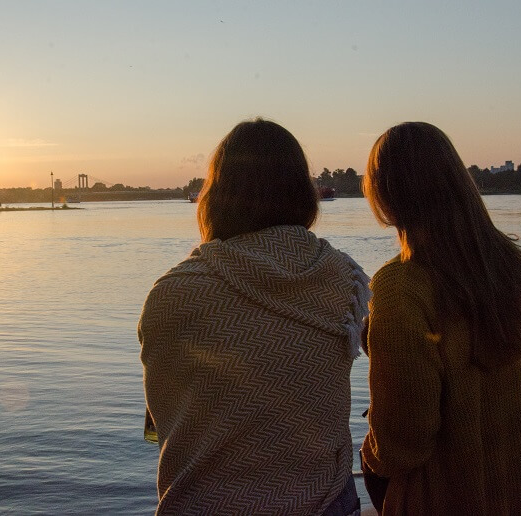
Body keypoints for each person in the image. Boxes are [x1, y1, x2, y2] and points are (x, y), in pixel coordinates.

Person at [139, 118, 370, 515]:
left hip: (207, 505)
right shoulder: (345, 280)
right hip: (322, 501)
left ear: (217, 194)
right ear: (303, 191)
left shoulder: (174, 294)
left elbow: (159, 425)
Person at [359, 122, 521, 515]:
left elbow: (403, 443)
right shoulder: (505, 266)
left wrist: (370, 456)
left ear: (385, 194)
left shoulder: (399, 287)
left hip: (441, 498)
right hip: (512, 490)